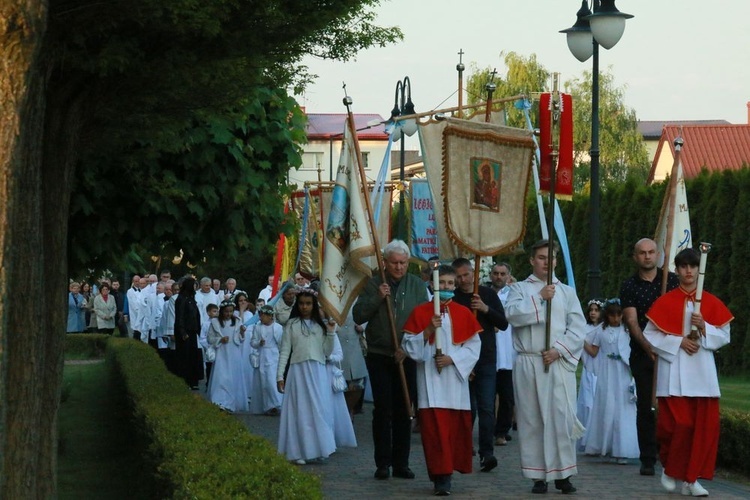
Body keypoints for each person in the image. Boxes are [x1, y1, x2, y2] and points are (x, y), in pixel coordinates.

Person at [644, 248, 733, 497]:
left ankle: (691, 480)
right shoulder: (666, 301)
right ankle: (671, 469)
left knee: (704, 430)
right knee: (677, 426)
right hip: (674, 373)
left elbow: (725, 335)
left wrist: (704, 327)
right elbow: (651, 335)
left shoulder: (711, 301)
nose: (689, 271)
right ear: (677, 269)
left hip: (702, 374)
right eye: (683, 266)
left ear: (698, 269)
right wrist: (678, 342)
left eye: (693, 266)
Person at [504, 239, 587, 494]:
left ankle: (563, 474)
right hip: (530, 360)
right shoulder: (519, 288)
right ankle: (537, 475)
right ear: (532, 260)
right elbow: (513, 315)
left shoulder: (567, 292)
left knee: (560, 417)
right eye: (541, 257)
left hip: (557, 360)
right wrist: (540, 298)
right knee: (532, 419)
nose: (546, 263)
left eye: (550, 258)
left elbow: (578, 327)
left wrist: (559, 349)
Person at [402, 264, 482, 496]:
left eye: (449, 283)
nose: (445, 287)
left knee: (453, 430)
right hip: (430, 382)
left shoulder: (464, 313)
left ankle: (448, 471)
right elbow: (408, 346)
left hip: (455, 383)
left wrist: (452, 359)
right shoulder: (420, 312)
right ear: (432, 285)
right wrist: (427, 331)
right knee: (434, 431)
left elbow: (474, 346)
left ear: (455, 286)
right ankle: (440, 476)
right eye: (441, 284)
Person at [353, 239, 428, 480]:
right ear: (384, 262)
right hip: (379, 354)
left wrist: (408, 347)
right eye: (394, 262)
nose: (398, 267)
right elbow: (358, 314)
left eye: (403, 263)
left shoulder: (417, 285)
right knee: (383, 410)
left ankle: (401, 463)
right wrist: (377, 297)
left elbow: (426, 320)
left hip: (405, 355)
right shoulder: (373, 283)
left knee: (404, 409)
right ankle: (382, 463)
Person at [619, 237, 679, 476]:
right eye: (642, 252)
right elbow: (632, 322)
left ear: (658, 255)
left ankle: (672, 455)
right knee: (646, 406)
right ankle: (647, 458)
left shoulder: (672, 281)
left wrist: (666, 346)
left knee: (673, 406)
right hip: (643, 354)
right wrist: (648, 348)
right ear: (636, 257)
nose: (647, 256)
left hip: (672, 352)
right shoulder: (629, 286)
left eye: (651, 252)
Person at [451, 257, 508, 472]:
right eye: (459, 276)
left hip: (485, 359)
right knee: (467, 409)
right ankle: (464, 449)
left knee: (486, 407)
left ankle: (487, 453)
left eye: (467, 275)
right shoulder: (454, 299)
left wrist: (485, 309)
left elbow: (502, 323)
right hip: (463, 361)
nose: (464, 280)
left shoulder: (487, 295)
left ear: (474, 273)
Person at [276, 289, 337, 465]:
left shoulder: (321, 326)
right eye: (302, 303)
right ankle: (298, 451)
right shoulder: (291, 325)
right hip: (298, 371)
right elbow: (285, 351)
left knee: (318, 410)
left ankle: (318, 448)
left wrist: (331, 333)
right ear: (298, 304)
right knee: (299, 411)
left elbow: (327, 351)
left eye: (308, 304)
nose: (305, 307)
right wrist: (280, 375)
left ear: (314, 305)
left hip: (317, 370)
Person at [582, 298, 639, 463]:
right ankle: (603, 445)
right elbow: (593, 351)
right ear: (607, 315)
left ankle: (622, 448)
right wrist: (581, 340)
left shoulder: (627, 331)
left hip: (622, 371)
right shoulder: (600, 331)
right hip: (606, 371)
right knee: (606, 403)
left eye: (619, 315)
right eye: (612, 315)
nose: (616, 318)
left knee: (622, 406)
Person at [490, 262, 516, 447]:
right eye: (496, 273)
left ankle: (502, 431)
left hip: (508, 354)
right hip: (490, 353)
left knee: (507, 397)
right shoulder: (485, 294)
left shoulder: (514, 295)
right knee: (487, 397)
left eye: (502, 274)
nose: (499, 277)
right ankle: (488, 429)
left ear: (508, 276)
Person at [207, 300, 248, 413]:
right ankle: (220, 401)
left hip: (233, 353)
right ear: (221, 311)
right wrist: (220, 339)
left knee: (232, 377)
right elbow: (210, 338)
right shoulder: (215, 322)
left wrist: (242, 333)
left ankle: (230, 402)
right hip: (222, 353)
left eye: (231, 311)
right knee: (221, 377)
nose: (228, 314)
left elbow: (240, 339)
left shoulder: (237, 321)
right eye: (226, 312)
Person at [576, 297, 605, 452]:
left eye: (596, 310)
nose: (593, 313)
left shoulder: (603, 329)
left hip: (598, 370)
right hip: (588, 370)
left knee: (594, 404)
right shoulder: (585, 327)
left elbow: (593, 352)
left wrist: (582, 340)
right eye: (591, 310)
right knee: (586, 405)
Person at [250, 305, 284, 415]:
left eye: (263, 316)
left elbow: (281, 343)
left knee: (271, 380)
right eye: (260, 316)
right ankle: (266, 405)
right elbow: (252, 342)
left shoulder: (277, 328)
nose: (261, 318)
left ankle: (275, 403)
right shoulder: (258, 327)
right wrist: (258, 343)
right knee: (263, 380)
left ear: (270, 316)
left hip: (274, 356)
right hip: (262, 355)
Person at [335, 307, 368, 419]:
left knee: (357, 386)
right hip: (335, 343)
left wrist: (363, 326)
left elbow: (369, 312)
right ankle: (341, 414)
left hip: (355, 343)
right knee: (337, 386)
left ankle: (348, 411)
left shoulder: (359, 294)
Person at [325, 333, 358, 448]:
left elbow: (339, 355)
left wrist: (328, 357)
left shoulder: (332, 334)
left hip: (328, 375)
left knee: (330, 407)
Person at [174, 277, 204, 390]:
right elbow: (180, 316)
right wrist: (182, 331)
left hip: (192, 331)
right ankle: (185, 381)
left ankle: (192, 381)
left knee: (193, 356)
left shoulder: (191, 298)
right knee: (184, 357)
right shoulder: (181, 299)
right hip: (185, 332)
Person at [198, 302, 219, 386]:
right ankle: (208, 384)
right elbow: (202, 337)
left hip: (218, 348)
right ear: (208, 312)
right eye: (214, 311)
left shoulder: (219, 323)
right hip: (210, 349)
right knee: (209, 367)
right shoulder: (206, 324)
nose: (216, 313)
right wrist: (208, 346)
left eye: (217, 311)